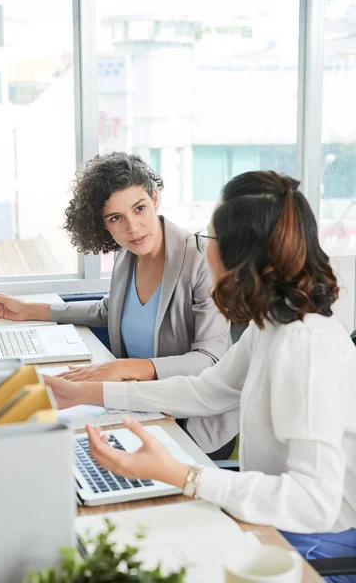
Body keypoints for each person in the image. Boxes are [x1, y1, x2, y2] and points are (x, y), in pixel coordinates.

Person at [44, 170, 356, 579]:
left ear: (237, 256)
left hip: (317, 536)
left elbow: (315, 502)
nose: (203, 250)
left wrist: (183, 475)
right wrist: (86, 393)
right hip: (269, 509)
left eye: (210, 239)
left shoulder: (305, 346)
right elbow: (207, 391)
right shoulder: (271, 324)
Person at [0, 152, 236, 456]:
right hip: (140, 407)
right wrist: (29, 311)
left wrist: (123, 369)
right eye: (116, 218)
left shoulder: (199, 259)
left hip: (191, 421)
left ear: (154, 199)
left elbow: (210, 359)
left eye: (139, 208)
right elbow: (109, 310)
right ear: (103, 224)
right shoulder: (126, 256)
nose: (132, 228)